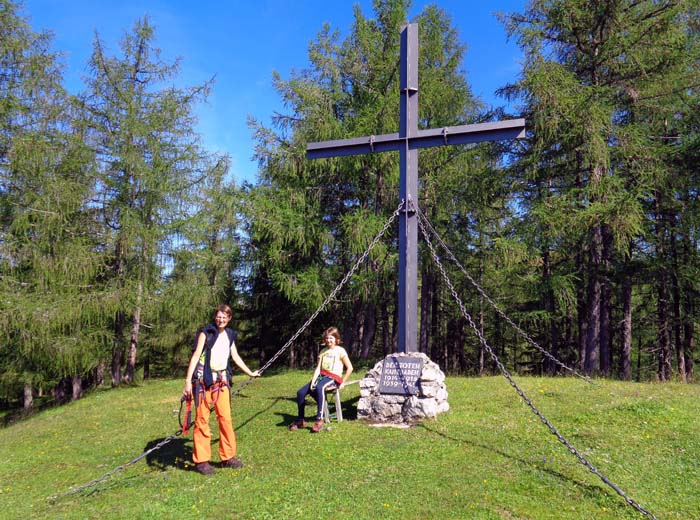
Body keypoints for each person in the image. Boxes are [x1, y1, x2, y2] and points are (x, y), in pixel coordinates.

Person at [183, 304, 260, 475]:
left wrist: (250, 373)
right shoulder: (206, 333)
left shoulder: (230, 335)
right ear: (215, 317)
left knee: (225, 418)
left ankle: (228, 457)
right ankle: (202, 461)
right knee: (202, 420)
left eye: (225, 317)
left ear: (229, 318)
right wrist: (188, 381)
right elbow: (196, 355)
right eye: (219, 316)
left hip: (221, 382)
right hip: (204, 382)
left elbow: (235, 356)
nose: (221, 319)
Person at [289, 326, 353, 433]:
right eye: (327, 338)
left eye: (331, 338)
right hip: (322, 376)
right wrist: (313, 381)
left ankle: (319, 420)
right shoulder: (323, 351)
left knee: (320, 387)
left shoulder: (340, 351)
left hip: (333, 377)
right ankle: (300, 419)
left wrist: (343, 382)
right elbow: (318, 368)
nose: (328, 340)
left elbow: (350, 368)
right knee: (300, 393)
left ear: (336, 339)